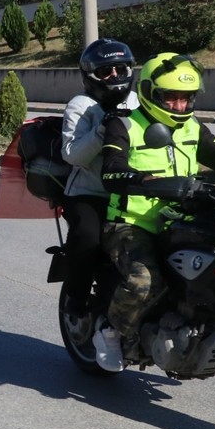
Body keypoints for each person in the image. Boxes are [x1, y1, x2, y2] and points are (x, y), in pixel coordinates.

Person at [95, 52, 215, 372]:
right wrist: (142, 180)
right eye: (170, 98)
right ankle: (110, 331)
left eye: (186, 99)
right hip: (131, 224)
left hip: (181, 219)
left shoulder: (192, 128)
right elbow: (111, 170)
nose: (179, 106)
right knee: (145, 280)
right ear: (148, 92)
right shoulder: (125, 125)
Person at [60, 39, 139, 319]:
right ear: (90, 75)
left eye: (120, 69)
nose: (114, 77)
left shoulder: (137, 100)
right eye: (106, 72)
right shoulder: (81, 105)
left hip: (132, 190)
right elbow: (71, 154)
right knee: (87, 236)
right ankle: (76, 298)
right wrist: (101, 131)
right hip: (89, 192)